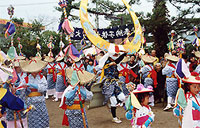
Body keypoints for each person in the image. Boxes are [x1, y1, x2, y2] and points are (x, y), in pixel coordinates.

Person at [20, 58, 49, 128]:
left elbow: (45, 88)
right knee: (32, 118)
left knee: (43, 116)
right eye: (32, 70)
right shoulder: (26, 79)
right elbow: (22, 92)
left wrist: (34, 86)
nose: (34, 72)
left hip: (40, 100)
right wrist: (25, 89)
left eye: (35, 70)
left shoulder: (42, 78)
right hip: (31, 101)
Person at [99, 52, 127, 123]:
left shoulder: (113, 61)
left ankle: (112, 104)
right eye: (114, 55)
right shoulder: (106, 62)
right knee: (113, 101)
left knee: (122, 97)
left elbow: (118, 60)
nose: (116, 56)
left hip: (115, 83)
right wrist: (109, 64)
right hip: (108, 84)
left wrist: (124, 54)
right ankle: (114, 117)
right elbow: (103, 65)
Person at [5, 59, 28, 128]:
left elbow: (23, 90)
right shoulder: (5, 78)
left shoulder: (22, 76)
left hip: (21, 104)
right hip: (10, 109)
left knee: (22, 123)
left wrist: (19, 88)